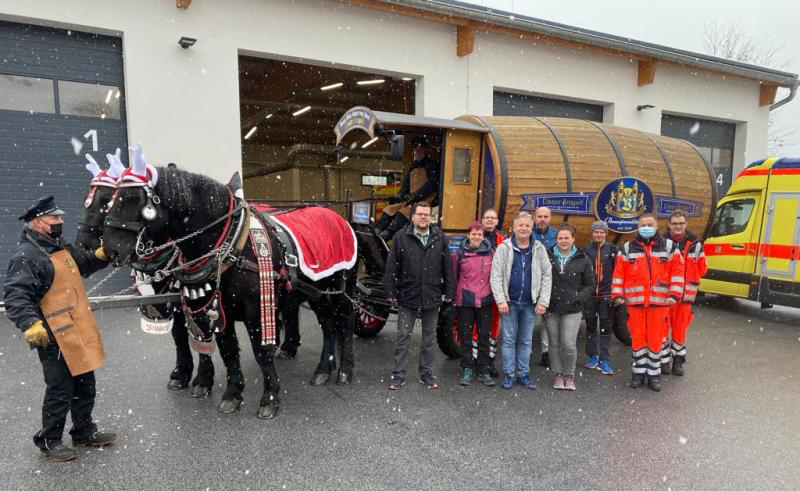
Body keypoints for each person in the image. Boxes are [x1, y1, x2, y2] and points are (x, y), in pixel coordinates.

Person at [3, 196, 117, 461]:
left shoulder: (59, 246)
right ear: (38, 222)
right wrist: (30, 323)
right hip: (52, 334)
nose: (60, 221)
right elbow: (16, 295)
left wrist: (99, 257)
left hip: (77, 328)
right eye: (54, 218)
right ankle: (49, 440)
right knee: (60, 388)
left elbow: (83, 264)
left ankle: (84, 432)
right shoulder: (26, 256)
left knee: (85, 383)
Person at [384, 201, 454, 390]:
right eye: (420, 214)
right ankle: (398, 375)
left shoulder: (440, 237)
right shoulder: (400, 237)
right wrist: (390, 291)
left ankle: (426, 373)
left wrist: (449, 291)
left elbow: (448, 267)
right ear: (412, 217)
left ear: (431, 217)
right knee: (403, 337)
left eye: (427, 215)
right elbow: (392, 266)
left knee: (428, 338)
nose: (424, 217)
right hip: (408, 295)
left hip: (432, 295)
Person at [612, 213, 684, 392]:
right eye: (642, 224)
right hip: (635, 305)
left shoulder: (669, 247)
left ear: (657, 225)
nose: (646, 227)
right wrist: (617, 295)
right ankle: (637, 374)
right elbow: (618, 274)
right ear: (638, 226)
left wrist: (674, 295)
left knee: (655, 341)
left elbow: (677, 273)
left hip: (659, 305)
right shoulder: (627, 248)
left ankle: (654, 375)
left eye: (649, 224)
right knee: (637, 340)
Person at [490, 212, 552, 390]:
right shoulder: (504, 248)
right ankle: (509, 374)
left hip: (530, 304)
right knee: (509, 340)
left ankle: (523, 374)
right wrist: (501, 300)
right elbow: (496, 275)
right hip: (509, 303)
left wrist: (543, 301)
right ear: (514, 228)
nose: (523, 228)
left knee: (525, 341)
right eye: (520, 225)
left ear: (531, 228)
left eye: (527, 225)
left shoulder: (539, 248)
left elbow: (547, 275)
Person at [545, 224, 594, 391]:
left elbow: (589, 285)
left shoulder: (583, 259)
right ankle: (558, 374)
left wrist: (578, 297)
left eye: (567, 238)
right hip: (552, 306)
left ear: (573, 239)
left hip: (573, 308)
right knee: (554, 343)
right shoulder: (548, 256)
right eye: (560, 238)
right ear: (556, 239)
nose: (563, 241)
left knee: (568, 344)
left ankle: (569, 374)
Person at [662, 210, 707, 376]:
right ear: (669, 225)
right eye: (675, 223)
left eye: (681, 223)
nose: (678, 226)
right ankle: (664, 360)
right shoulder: (662, 243)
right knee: (662, 329)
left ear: (686, 224)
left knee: (680, 330)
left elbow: (702, 269)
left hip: (685, 297)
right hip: (666, 296)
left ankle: (678, 361)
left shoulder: (696, 244)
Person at [452, 221, 495, 387]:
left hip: (485, 300)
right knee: (466, 336)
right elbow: (454, 278)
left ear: (483, 236)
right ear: (468, 235)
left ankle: (483, 370)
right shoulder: (459, 254)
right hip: (465, 301)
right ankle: (467, 368)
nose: (477, 237)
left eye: (479, 234)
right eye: (474, 234)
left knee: (484, 336)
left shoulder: (491, 253)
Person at [375, 135, 441, 241]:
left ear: (426, 151)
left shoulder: (432, 165)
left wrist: (416, 195)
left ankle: (387, 234)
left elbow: (431, 185)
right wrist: (399, 196)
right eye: (415, 151)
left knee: (404, 212)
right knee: (389, 209)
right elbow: (406, 185)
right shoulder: (413, 166)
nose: (417, 153)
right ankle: (377, 231)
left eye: (419, 151)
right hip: (412, 200)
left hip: (426, 200)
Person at [582, 220, 618, 375]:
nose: (599, 234)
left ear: (606, 234)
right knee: (590, 327)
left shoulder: (613, 249)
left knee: (605, 328)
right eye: (596, 231)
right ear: (592, 233)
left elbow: (618, 272)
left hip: (606, 295)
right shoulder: (585, 249)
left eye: (602, 232)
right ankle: (592, 356)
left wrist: (616, 293)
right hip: (590, 295)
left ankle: (605, 360)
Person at [532, 206, 557, 367]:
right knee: (530, 321)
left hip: (551, 281)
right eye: (539, 216)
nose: (542, 219)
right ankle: (523, 353)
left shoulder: (556, 235)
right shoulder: (527, 232)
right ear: (534, 217)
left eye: (545, 216)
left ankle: (546, 352)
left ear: (550, 218)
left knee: (548, 320)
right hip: (531, 282)